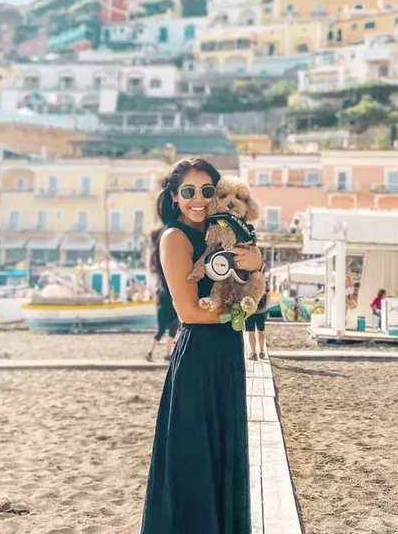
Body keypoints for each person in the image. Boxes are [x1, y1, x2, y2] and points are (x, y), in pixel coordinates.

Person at [140, 157, 263, 534]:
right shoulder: (174, 238)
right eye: (188, 192)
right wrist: (240, 313)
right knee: (194, 460)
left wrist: (256, 262)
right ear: (175, 197)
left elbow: (249, 276)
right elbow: (191, 312)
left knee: (222, 455)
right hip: (198, 358)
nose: (198, 199)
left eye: (207, 191)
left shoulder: (223, 230)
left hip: (227, 355)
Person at [146, 226, 180, 362]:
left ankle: (150, 352)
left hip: (161, 300)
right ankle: (167, 354)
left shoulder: (154, 258)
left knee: (160, 330)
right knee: (172, 329)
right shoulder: (166, 252)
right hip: (170, 298)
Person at [246, 283, 269, 361]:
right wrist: (266, 307)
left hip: (250, 311)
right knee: (261, 331)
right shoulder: (262, 281)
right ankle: (262, 351)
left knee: (251, 332)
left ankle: (254, 353)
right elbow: (268, 295)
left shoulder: (247, 280)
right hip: (261, 311)